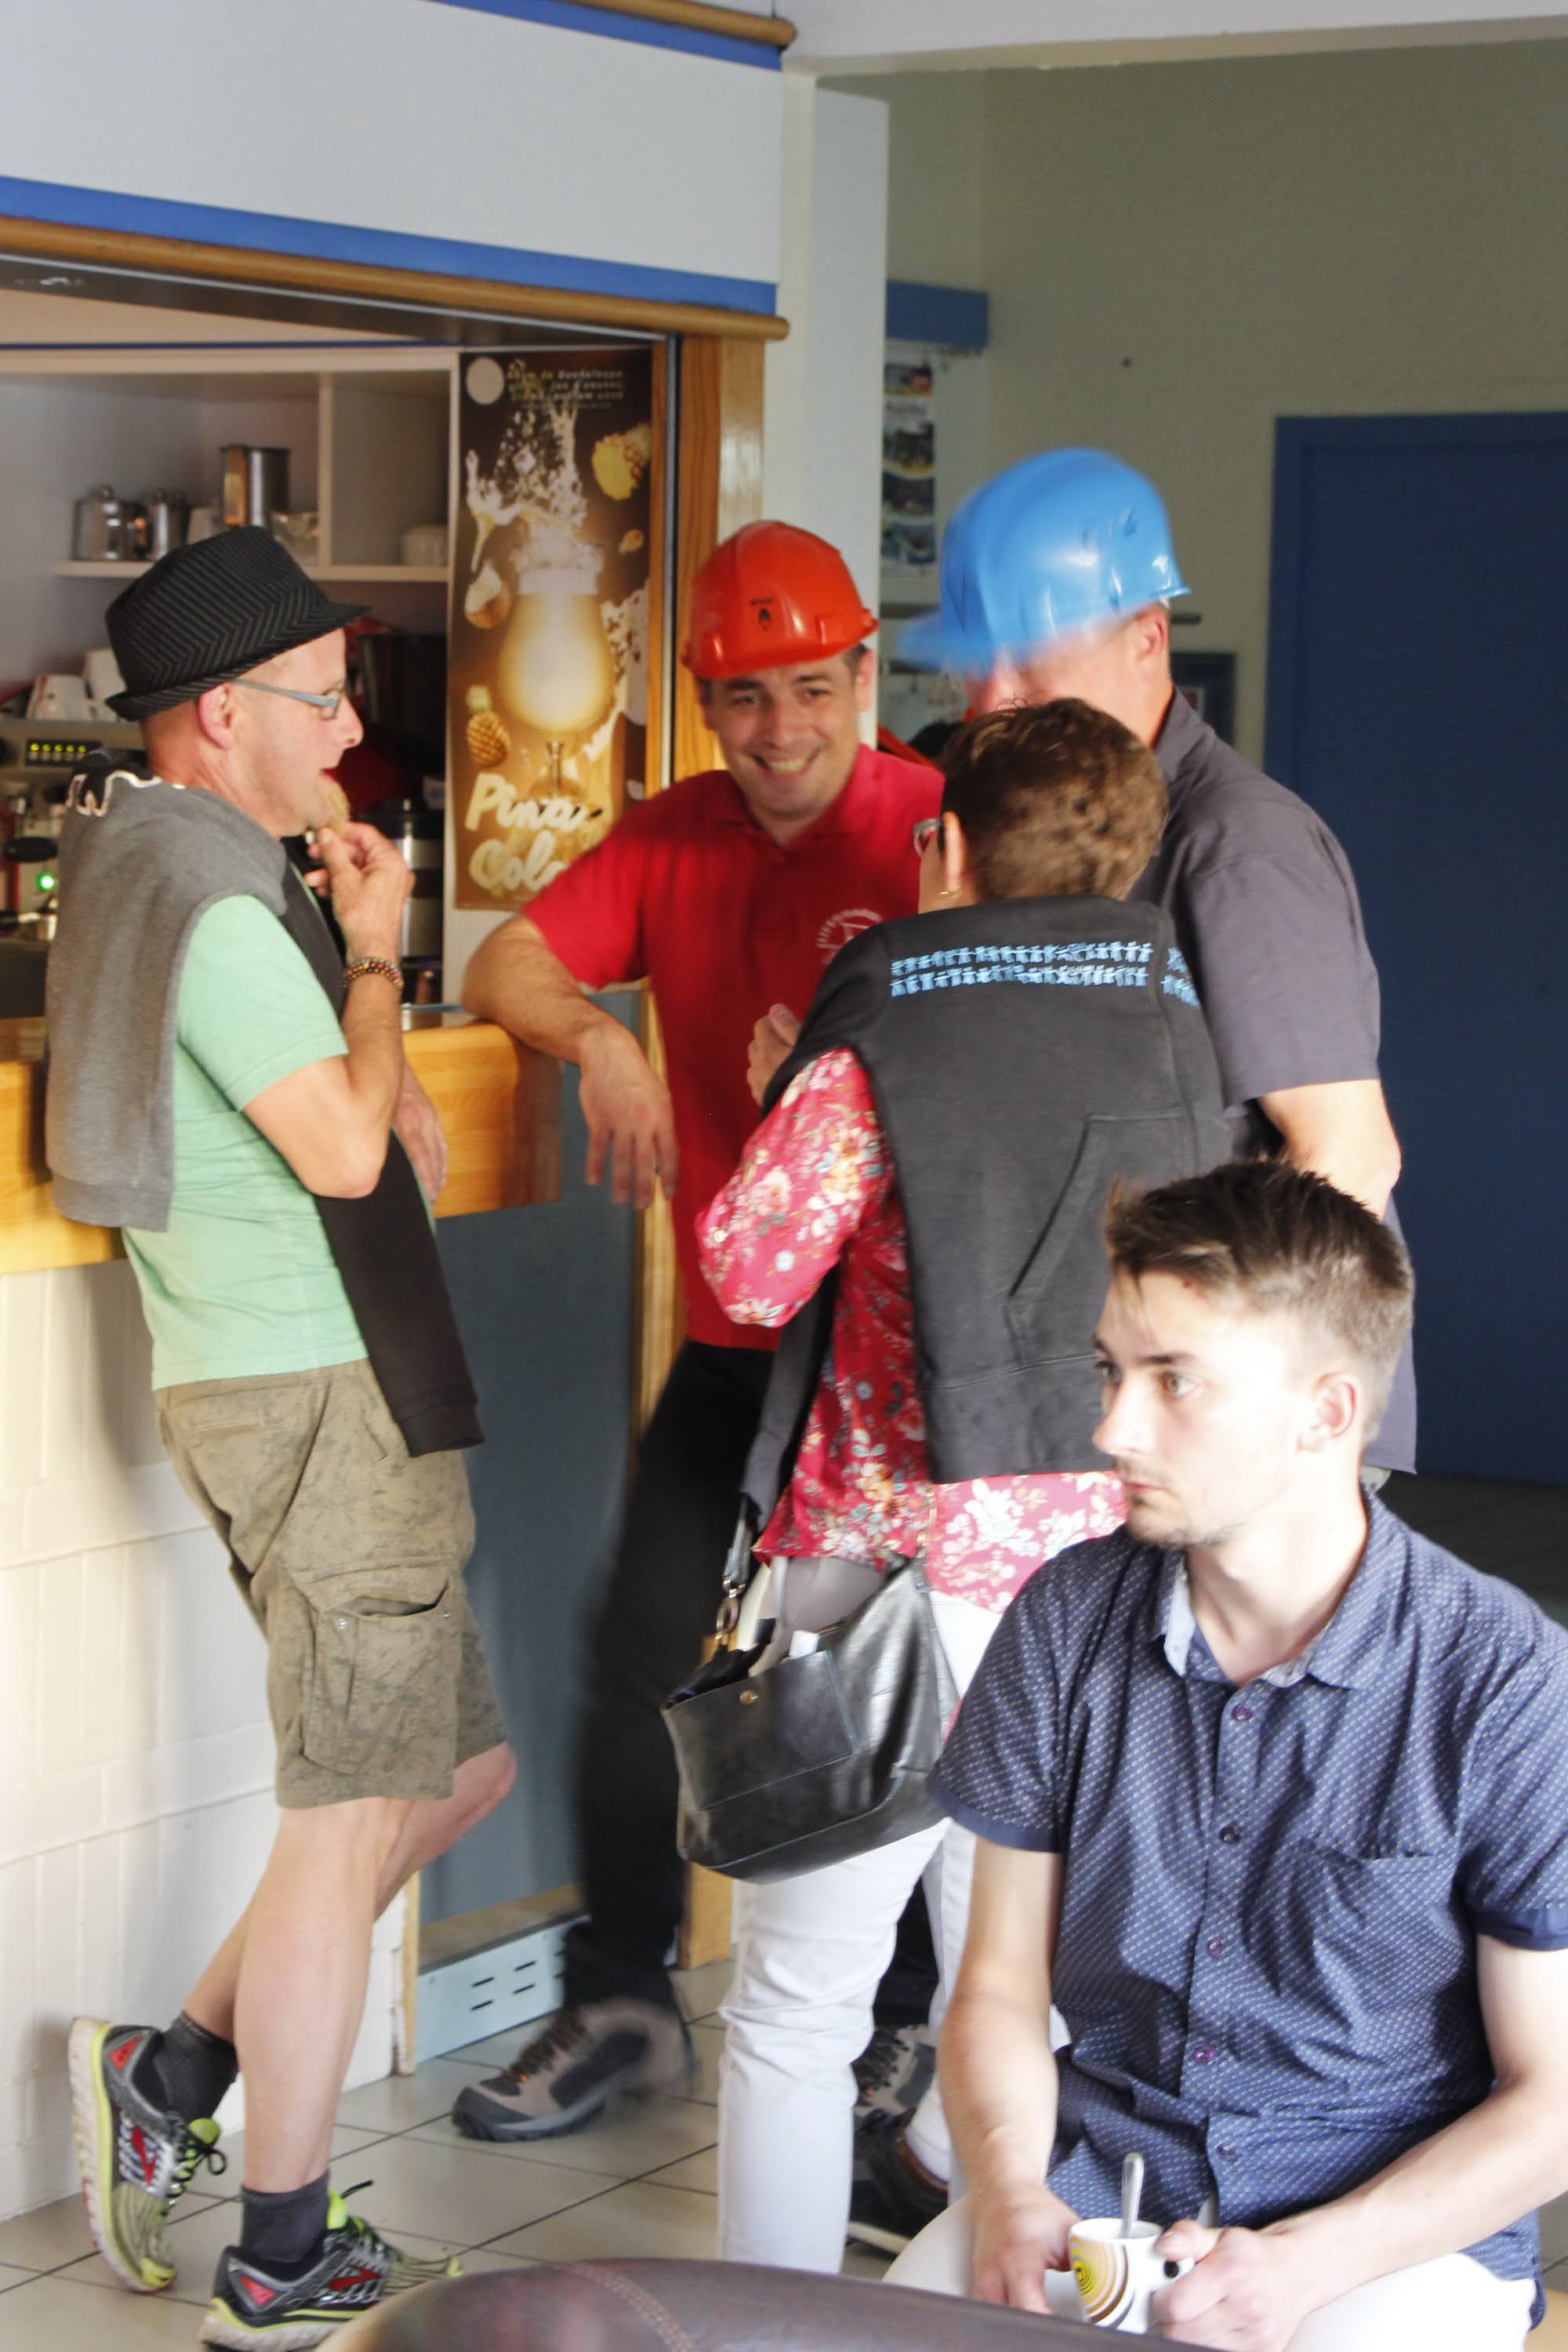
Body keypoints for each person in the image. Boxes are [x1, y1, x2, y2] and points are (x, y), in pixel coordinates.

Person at [48, 528, 515, 2348]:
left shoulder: (157, 863)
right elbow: (340, 1145)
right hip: (318, 1397)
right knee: (348, 1821)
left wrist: (367, 1042)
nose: (347, 733)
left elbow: (350, 1127)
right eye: (319, 699)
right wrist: (381, 962)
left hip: (309, 1390)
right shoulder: (222, 905)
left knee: (453, 1778)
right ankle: (281, 2252)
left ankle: (173, 2074)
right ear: (216, 714)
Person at [696, 700, 1230, 2272]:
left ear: (944, 849)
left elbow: (748, 1270)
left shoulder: (887, 1022)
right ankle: (1009, 2291)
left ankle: (777, 2321)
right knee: (1022, 1990)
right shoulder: (1174, 1019)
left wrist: (788, 1088)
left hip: (882, 1574)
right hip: (1092, 1581)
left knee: (800, 2005)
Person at [887, 1161, 1568, 2351]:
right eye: (1111, 1371)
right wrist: (1005, 2190)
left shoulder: (1505, 1679)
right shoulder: (1064, 1619)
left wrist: (1307, 2264)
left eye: (1176, 1381)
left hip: (1388, 2240)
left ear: (1327, 1412)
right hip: (1102, 2191)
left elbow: (1553, 2100)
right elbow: (997, 1989)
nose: (1111, 1428)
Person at [454, 521, 942, 2142]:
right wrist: (602, 1042)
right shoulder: (673, 834)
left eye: (811, 688)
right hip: (740, 1348)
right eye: (744, 698)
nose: (781, 730)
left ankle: (902, 2041)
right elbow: (509, 958)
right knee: (639, 1661)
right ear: (703, 704)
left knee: (896, 1695)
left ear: (864, 673)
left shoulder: (936, 833)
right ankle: (623, 2001)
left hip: (894, 1373)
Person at [859, 448, 1414, 1475]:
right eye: (978, 664)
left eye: (1032, 662)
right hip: (1114, 1405)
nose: (996, 698)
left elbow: (1349, 1155)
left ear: (1148, 638)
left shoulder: (1236, 846)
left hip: (1242, 1427)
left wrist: (1209, 1397)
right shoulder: (1061, 829)